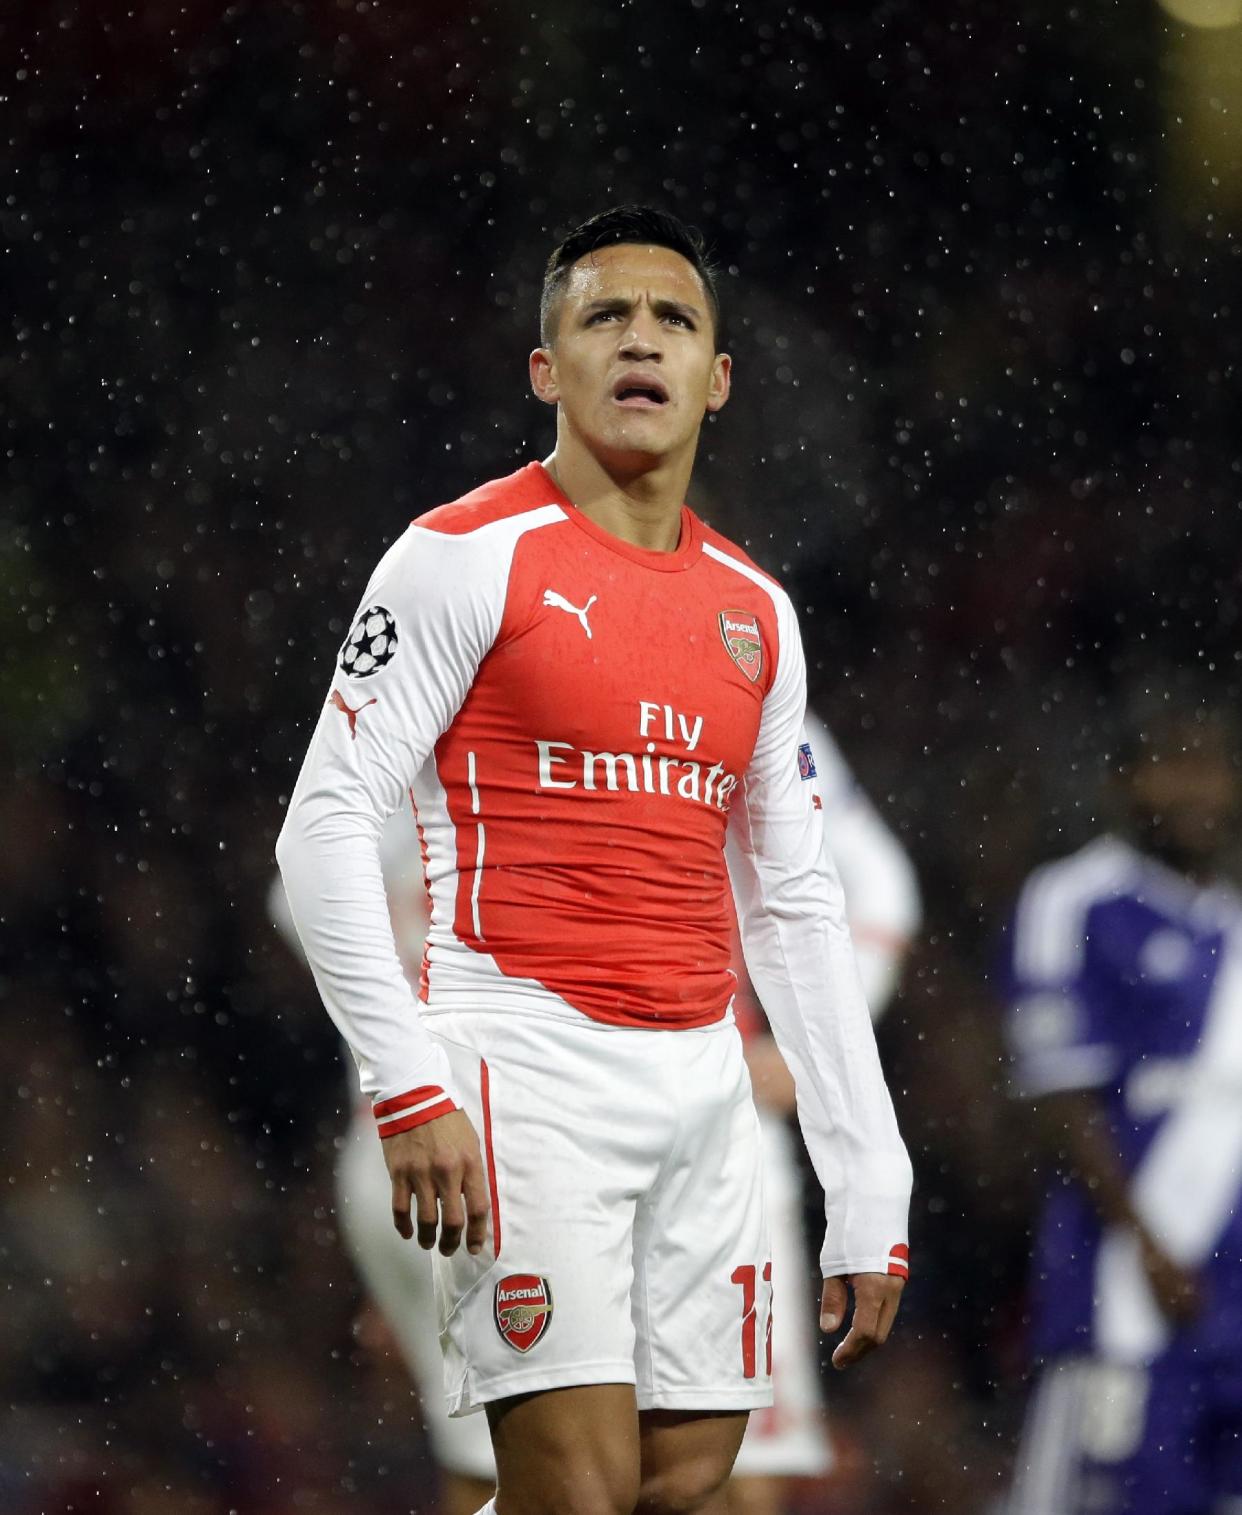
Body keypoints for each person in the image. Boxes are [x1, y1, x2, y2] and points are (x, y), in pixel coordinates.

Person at [276, 204, 912, 1515]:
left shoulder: (754, 613)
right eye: (602, 316)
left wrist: (867, 1174)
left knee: (681, 1479)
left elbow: (795, 899)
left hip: (703, 1086)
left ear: (715, 377)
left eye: (673, 319)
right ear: (544, 368)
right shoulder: (458, 557)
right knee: (576, 1488)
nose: (641, 339)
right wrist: (406, 1084)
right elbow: (322, 827)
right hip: (524, 1064)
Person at [270, 705, 920, 1515]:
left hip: (454, 1135)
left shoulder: (437, 684)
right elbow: (873, 883)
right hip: (613, 1119)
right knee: (703, 1478)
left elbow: (316, 899)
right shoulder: (689, 683)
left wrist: (405, 1134)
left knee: (522, 1473)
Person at [1004, 699, 1242, 1515]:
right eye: (1171, 763)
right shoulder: (1075, 900)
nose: (1196, 789)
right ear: (1124, 780)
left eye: (1210, 765)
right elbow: (1059, 1100)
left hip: (1232, 1293)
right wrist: (1145, 1243)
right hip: (1122, 1291)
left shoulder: (1233, 923)